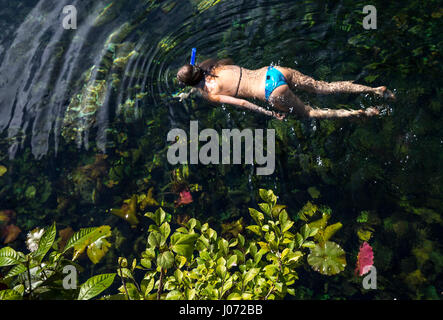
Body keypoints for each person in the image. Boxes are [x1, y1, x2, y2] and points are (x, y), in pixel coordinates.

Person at [176, 58, 395, 120]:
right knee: (324, 87)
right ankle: (374, 89)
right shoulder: (217, 65)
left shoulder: (212, 94)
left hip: (271, 91)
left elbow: (242, 103)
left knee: (309, 113)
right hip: (273, 72)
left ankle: (361, 113)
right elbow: (226, 62)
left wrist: (269, 112)